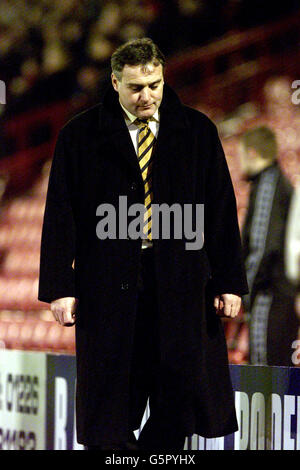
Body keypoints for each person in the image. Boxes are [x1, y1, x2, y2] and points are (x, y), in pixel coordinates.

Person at [38, 38, 248, 451]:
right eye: (136, 87)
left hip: (181, 284)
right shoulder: (79, 137)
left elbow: (220, 209)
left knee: (180, 395)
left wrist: (229, 280)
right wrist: (61, 286)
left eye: (155, 84)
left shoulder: (198, 131)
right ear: (115, 82)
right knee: (108, 401)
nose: (147, 95)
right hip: (108, 286)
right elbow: (61, 217)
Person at [239, 125, 298, 366]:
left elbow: (262, 245)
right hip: (279, 297)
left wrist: (244, 290)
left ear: (252, 153)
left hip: (269, 296)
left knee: (263, 374)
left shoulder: (268, 184)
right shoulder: (277, 183)